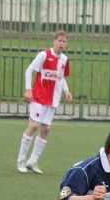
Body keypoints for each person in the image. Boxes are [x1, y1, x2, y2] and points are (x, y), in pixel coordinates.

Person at [17, 30, 73, 174]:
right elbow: (29, 70)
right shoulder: (44, 55)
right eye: (59, 41)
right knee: (34, 125)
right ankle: (21, 159)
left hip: (52, 98)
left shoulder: (64, 59)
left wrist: (66, 91)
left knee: (46, 129)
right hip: (39, 96)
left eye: (64, 41)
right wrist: (28, 89)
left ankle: (33, 161)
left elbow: (61, 77)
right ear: (53, 41)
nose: (61, 44)